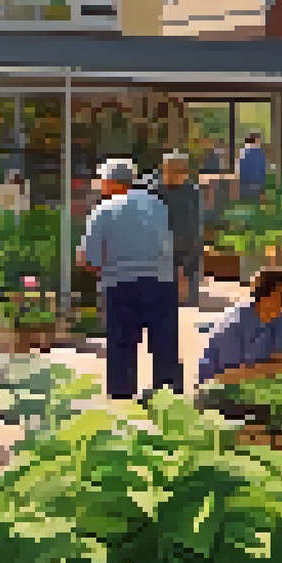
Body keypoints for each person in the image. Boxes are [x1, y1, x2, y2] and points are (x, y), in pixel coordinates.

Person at [77, 158, 182, 401]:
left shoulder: (104, 209)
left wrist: (102, 270)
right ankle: (170, 405)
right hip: (161, 285)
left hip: (120, 285)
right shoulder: (158, 205)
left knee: (121, 349)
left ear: (112, 182)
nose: (101, 185)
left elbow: (87, 259)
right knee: (165, 348)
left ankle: (123, 407)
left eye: (103, 180)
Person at [198, 267, 282, 386]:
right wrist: (268, 369)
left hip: (255, 385)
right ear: (265, 296)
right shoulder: (233, 324)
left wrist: (261, 370)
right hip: (215, 389)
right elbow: (226, 377)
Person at [157, 150, 204, 306]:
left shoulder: (192, 193)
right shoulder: (154, 191)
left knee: (186, 302)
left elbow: (194, 229)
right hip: (160, 253)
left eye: (179, 170)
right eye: (168, 170)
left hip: (186, 252)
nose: (171, 174)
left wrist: (184, 266)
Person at [238, 131, 266, 206]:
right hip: (256, 186)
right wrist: (263, 191)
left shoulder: (243, 152)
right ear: (257, 140)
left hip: (244, 186)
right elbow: (262, 172)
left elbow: (240, 171)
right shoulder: (259, 153)